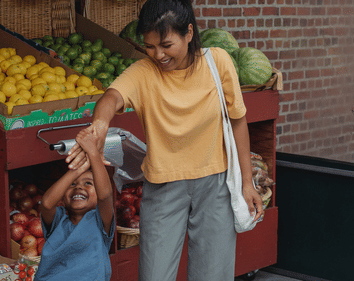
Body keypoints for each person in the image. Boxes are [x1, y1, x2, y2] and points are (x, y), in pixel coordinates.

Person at [66, 0, 263, 280]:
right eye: (150, 46)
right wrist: (99, 126)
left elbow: (238, 121)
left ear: (189, 33)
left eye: (166, 45)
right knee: (154, 274)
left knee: (214, 275)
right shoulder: (143, 72)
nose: (158, 54)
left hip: (215, 186)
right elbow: (111, 97)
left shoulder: (218, 62)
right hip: (163, 188)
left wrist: (247, 183)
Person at [35, 130, 115, 281]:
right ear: (63, 198)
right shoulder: (58, 221)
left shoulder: (100, 222)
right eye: (72, 184)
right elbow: (46, 203)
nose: (79, 188)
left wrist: (93, 153)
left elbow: (105, 195)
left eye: (88, 183)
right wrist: (78, 168)